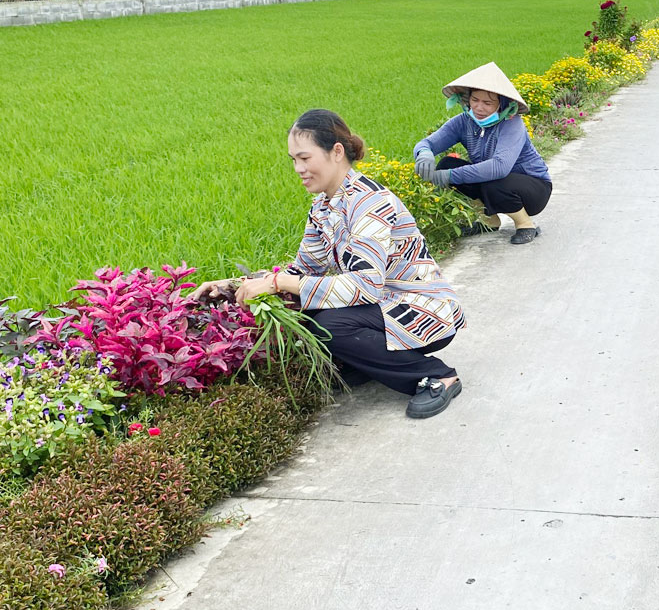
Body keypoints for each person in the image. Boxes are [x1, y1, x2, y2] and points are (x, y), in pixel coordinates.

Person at [197, 109, 466, 418]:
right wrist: (232, 285)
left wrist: (278, 283)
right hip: (383, 305)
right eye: (293, 160)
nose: (298, 168)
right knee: (308, 306)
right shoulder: (324, 205)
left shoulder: (369, 203)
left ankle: (435, 375)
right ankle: (369, 365)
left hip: (421, 308)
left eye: (305, 158)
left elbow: (365, 285)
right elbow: (301, 271)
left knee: (330, 325)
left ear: (336, 152)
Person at [414, 62, 552, 245]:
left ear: (501, 105)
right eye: (475, 100)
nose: (479, 107)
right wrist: (424, 153)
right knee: (447, 163)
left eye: (487, 103)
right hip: (494, 179)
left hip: (533, 189)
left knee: (491, 181)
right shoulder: (464, 121)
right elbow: (428, 143)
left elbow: (499, 167)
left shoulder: (512, 124)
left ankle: (525, 224)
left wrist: (450, 176)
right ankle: (489, 221)